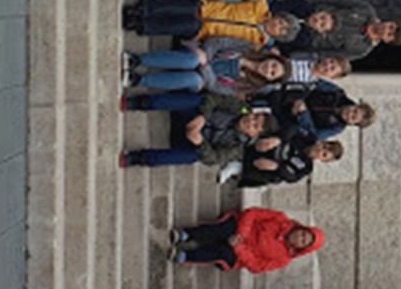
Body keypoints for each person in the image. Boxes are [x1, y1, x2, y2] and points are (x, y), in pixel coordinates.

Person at [118, 94, 276, 170]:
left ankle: (137, 158)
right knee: (196, 101)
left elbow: (214, 158)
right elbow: (214, 99)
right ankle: (140, 102)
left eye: (255, 126)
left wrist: (200, 142)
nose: (250, 121)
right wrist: (203, 116)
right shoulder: (240, 107)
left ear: (254, 135)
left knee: (193, 157)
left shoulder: (239, 148)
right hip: (191, 116)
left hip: (192, 139)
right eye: (255, 117)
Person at [124, 0, 299, 50]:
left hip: (206, 31)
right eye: (281, 22)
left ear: (278, 36)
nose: (277, 26)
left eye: (281, 30)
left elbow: (227, 45)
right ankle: (144, 9)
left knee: (186, 25)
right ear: (279, 16)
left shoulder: (256, 43)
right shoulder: (260, 4)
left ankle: (143, 25)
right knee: (188, 8)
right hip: (210, 7)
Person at [167, 208, 321, 272]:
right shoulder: (280, 218)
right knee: (224, 229)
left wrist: (239, 248)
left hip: (239, 254)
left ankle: (186, 256)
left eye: (303, 241)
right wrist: (242, 234)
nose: (299, 238)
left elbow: (257, 266)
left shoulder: (283, 259)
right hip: (240, 229)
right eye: (303, 234)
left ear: (301, 248)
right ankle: (187, 235)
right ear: (301, 228)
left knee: (223, 253)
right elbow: (253, 213)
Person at [122, 41, 289, 94]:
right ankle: (138, 60)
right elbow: (219, 42)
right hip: (202, 53)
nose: (268, 69)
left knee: (192, 78)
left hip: (203, 78)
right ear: (271, 58)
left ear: (269, 79)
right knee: (192, 60)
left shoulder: (247, 85)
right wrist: (205, 56)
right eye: (273, 65)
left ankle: (139, 80)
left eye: (272, 73)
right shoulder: (247, 47)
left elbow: (217, 87)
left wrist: (206, 67)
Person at [285, 0, 401, 61]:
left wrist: (294, 54)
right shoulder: (366, 9)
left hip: (304, 38)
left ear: (387, 41)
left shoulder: (361, 50)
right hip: (309, 12)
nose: (385, 29)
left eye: (389, 34)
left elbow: (326, 56)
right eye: (391, 27)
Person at [255, 80, 376, 139]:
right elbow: (316, 83)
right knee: (277, 95)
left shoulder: (335, 127)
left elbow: (314, 135)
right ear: (355, 105)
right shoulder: (337, 93)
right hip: (295, 96)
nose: (350, 114)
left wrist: (303, 114)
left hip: (293, 119)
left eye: (353, 118)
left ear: (352, 124)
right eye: (354, 111)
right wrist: (302, 98)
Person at [239, 135, 343, 188]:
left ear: (323, 160)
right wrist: (279, 139)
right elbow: (291, 129)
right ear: (322, 142)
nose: (319, 150)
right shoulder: (307, 138)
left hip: (264, 165)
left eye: (324, 154)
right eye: (324, 146)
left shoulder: (307, 167)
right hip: (265, 146)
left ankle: (241, 171)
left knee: (276, 178)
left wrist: (277, 167)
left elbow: (291, 178)